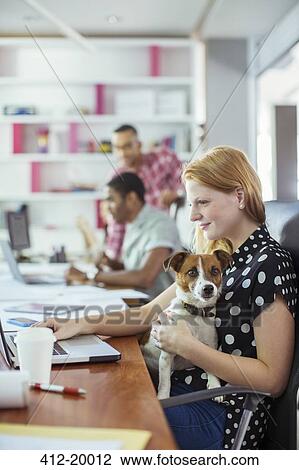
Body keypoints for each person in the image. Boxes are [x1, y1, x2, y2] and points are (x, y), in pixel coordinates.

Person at [36, 146, 297, 450]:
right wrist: (78, 324)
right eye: (190, 203)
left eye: (202, 202)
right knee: (94, 396)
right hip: (185, 390)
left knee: (99, 416)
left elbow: (273, 379)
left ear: (239, 196)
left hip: (223, 413)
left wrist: (189, 347)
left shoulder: (268, 264)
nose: (192, 214)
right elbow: (146, 313)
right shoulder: (218, 259)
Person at [93, 172, 181, 298]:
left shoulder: (160, 224)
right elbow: (134, 269)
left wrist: (93, 276)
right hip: (140, 301)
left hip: (160, 309)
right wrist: (112, 263)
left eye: (111, 200)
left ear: (131, 199)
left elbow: (145, 278)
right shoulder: (133, 224)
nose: (107, 207)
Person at [104, 124, 183, 262]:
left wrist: (177, 193)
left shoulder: (164, 157)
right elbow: (117, 222)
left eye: (127, 146)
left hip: (174, 233)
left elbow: (189, 181)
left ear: (139, 145)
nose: (122, 153)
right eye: (117, 148)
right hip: (144, 240)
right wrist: (112, 256)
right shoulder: (116, 178)